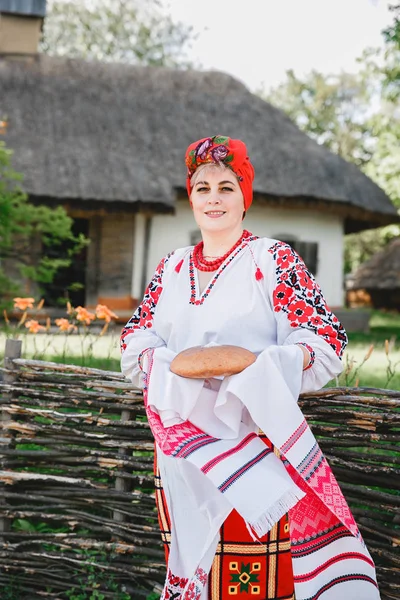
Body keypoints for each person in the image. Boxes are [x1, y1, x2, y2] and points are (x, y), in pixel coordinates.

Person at [120, 135, 380, 600]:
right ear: (191, 197)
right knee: (198, 569)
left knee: (254, 581)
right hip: (182, 451)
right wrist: (170, 366)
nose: (213, 198)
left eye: (226, 186)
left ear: (245, 197)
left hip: (256, 449)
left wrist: (259, 370)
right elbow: (136, 338)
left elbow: (323, 341)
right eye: (202, 188)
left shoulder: (273, 260)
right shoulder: (171, 268)